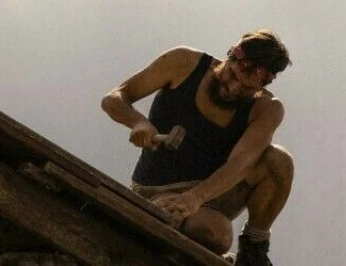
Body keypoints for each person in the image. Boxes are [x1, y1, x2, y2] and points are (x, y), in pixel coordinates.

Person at [101, 30, 294, 266]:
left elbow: (240, 165)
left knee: (280, 161)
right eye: (231, 75)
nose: (233, 89)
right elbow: (114, 98)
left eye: (245, 89)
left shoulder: (266, 108)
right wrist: (138, 121)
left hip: (212, 190)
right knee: (216, 234)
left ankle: (253, 249)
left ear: (262, 85)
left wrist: (195, 198)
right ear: (231, 56)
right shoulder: (183, 64)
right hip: (159, 191)